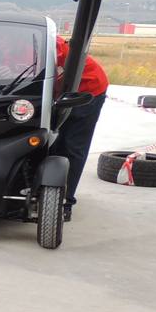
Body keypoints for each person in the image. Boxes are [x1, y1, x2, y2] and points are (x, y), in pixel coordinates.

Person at [52, 34, 109, 214]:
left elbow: (48, 71)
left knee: (71, 145)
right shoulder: (4, 41)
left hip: (87, 90)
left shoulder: (49, 46)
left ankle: (64, 202)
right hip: (60, 91)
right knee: (51, 141)